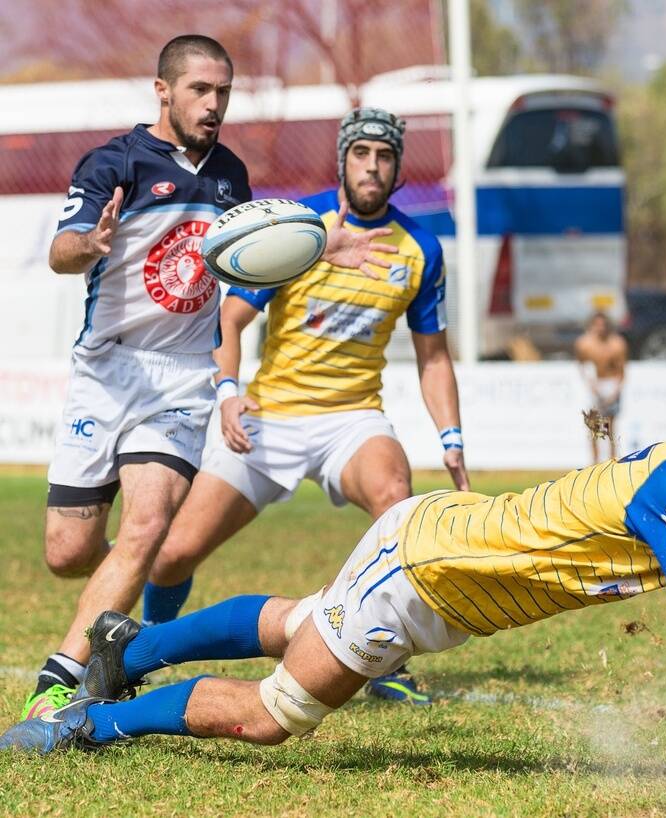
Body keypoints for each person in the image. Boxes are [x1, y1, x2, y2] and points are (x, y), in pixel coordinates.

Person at [0, 401, 666, 800]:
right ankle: (88, 726)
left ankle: (136, 648)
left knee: (297, 620)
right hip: (423, 578)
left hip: (443, 556)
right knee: (277, 712)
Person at [139, 107, 470, 706]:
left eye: (385, 156)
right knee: (173, 555)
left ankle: (382, 659)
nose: (373, 165)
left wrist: (451, 439)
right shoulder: (295, 227)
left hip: (352, 419)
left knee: (396, 501)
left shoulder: (421, 247)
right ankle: (145, 645)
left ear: (398, 170)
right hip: (270, 418)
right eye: (362, 153)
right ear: (343, 159)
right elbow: (230, 322)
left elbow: (434, 358)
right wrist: (229, 393)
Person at [20, 35, 253, 722]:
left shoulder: (231, 175)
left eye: (223, 93)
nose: (213, 105)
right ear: (163, 91)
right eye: (200, 91)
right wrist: (88, 244)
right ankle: (108, 611)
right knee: (68, 554)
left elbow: (241, 257)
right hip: (107, 372)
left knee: (148, 525)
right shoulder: (115, 161)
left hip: (182, 375)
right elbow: (64, 249)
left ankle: (60, 682)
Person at [574, 312, 628, 462]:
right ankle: (595, 463)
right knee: (593, 426)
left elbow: (622, 370)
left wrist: (615, 391)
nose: (600, 328)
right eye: (597, 325)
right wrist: (590, 384)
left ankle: (612, 461)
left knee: (610, 427)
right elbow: (581, 365)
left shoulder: (617, 343)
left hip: (611, 384)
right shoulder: (584, 343)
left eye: (602, 325)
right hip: (595, 385)